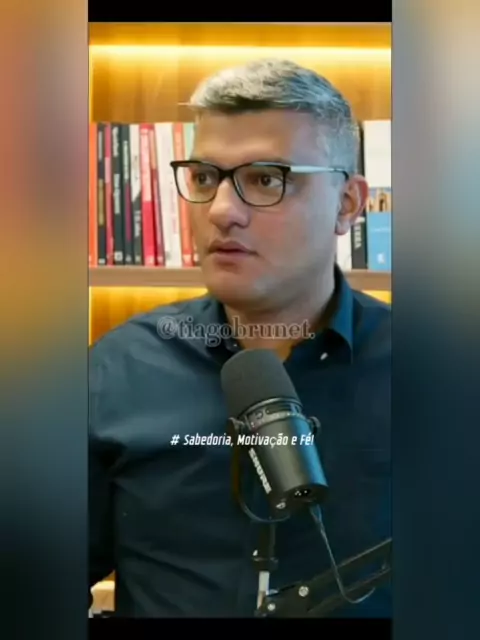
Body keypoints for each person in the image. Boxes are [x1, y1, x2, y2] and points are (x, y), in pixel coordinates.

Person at [89, 59, 391, 618]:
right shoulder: (117, 368)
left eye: (266, 179)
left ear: (347, 205)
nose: (222, 212)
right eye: (205, 178)